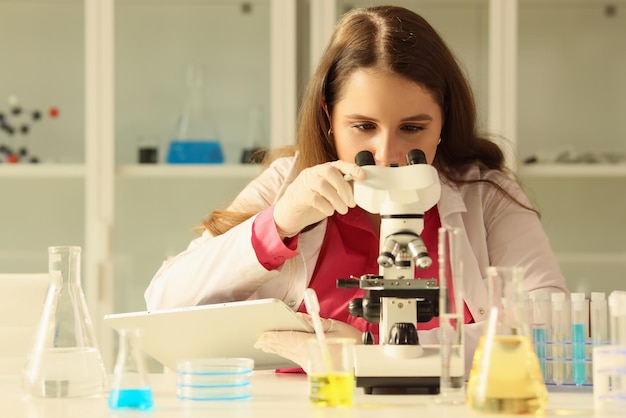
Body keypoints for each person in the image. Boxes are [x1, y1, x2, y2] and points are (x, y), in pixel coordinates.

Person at [144, 5, 568, 373]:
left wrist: (371, 353)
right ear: (329, 115)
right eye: (364, 127)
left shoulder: (486, 194)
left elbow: (550, 328)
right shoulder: (287, 181)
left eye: (413, 128)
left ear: (443, 121)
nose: (386, 154)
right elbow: (163, 305)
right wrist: (279, 223)